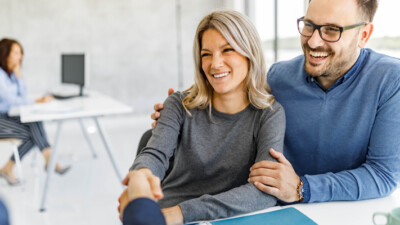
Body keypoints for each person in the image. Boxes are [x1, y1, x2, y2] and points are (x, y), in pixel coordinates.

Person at [151, 0, 400, 205]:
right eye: (309, 25)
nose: (313, 41)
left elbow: (383, 175)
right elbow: (231, 99)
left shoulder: (390, 80)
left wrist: (303, 188)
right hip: (276, 208)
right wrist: (177, 115)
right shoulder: (278, 77)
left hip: (347, 211)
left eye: (332, 30)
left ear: (364, 35)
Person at [120, 10, 286, 225]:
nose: (215, 64)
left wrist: (180, 213)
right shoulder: (179, 104)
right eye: (206, 54)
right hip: (163, 214)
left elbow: (265, 190)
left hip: (222, 217)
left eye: (227, 50)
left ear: (249, 53)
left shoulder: (269, 114)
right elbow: (154, 153)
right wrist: (141, 178)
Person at [0, 38, 70, 185]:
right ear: (5, 53)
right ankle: (50, 161)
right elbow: (12, 100)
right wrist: (37, 101)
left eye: (21, 53)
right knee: (34, 134)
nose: (20, 57)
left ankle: (48, 161)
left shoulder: (11, 74)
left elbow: (23, 96)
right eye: (16, 52)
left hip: (6, 117)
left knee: (35, 122)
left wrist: (19, 76)